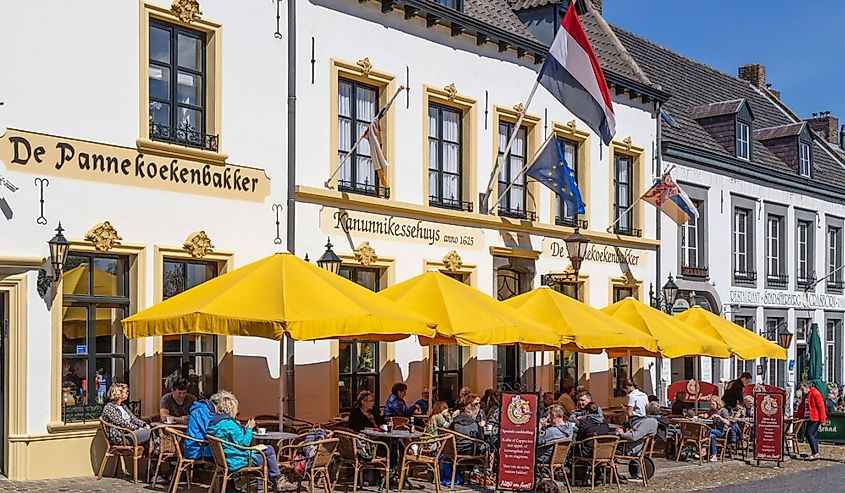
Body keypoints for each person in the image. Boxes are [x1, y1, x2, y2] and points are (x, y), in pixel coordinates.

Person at [207, 392, 281, 491]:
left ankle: (272, 481)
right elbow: (243, 443)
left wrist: (245, 429)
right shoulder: (229, 424)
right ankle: (274, 481)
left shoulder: (215, 423)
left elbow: (235, 440)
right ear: (231, 408)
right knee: (267, 456)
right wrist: (250, 428)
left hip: (225, 458)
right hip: (236, 460)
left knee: (267, 451)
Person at [616, 401, 660, 482]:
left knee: (610, 447)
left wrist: (622, 434)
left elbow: (634, 436)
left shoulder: (648, 422)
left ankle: (611, 473)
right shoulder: (653, 421)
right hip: (636, 446)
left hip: (631, 447)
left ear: (647, 410)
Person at [185, 391, 229, 460]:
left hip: (197, 446)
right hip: (197, 449)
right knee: (229, 452)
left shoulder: (203, 409)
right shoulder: (202, 411)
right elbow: (210, 431)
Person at [797, 381, 827, 460]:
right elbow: (802, 407)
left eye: (803, 389)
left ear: (807, 387)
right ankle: (815, 452)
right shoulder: (807, 394)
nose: (802, 391)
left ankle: (815, 453)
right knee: (812, 435)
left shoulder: (815, 393)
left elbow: (821, 407)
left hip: (815, 418)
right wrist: (797, 416)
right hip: (810, 417)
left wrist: (823, 419)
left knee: (809, 434)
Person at [702, 395, 732, 462]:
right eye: (710, 404)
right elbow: (709, 419)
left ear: (718, 403)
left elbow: (729, 423)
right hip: (713, 431)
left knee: (708, 431)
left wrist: (719, 417)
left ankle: (704, 449)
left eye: (713, 404)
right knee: (711, 436)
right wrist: (706, 415)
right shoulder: (712, 411)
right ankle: (714, 456)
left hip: (722, 431)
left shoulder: (723, 411)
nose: (711, 406)